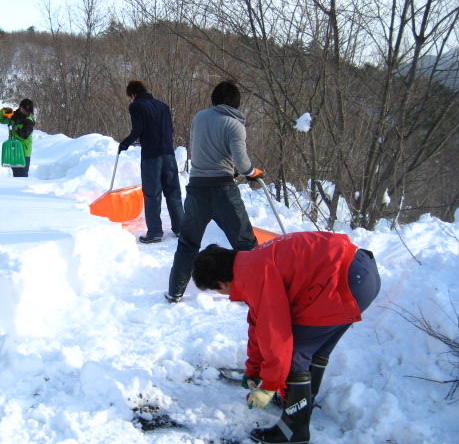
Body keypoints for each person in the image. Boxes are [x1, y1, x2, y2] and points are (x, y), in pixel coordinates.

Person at [192, 232, 382, 444]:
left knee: (294, 353)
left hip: (345, 280)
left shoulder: (254, 276)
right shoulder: (251, 264)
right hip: (360, 272)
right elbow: (259, 323)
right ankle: (301, 403)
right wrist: (254, 369)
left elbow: (276, 335)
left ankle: (293, 429)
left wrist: (270, 386)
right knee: (313, 350)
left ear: (220, 283)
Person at [165, 80, 262, 303]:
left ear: (214, 100)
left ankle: (175, 292)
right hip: (223, 192)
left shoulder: (199, 118)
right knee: (246, 245)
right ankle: (255, 290)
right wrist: (252, 172)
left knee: (188, 243)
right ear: (236, 103)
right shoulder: (235, 125)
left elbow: (207, 150)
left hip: (197, 189)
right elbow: (243, 164)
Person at [119, 80, 184, 244]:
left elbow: (138, 129)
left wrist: (125, 143)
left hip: (152, 156)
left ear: (132, 95)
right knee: (173, 193)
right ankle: (181, 229)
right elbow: (170, 129)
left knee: (152, 194)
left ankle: (155, 232)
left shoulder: (136, 106)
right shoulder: (163, 106)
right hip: (169, 153)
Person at [0, 98, 35, 177]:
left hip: (24, 151)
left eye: (26, 110)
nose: (24, 111)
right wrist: (4, 111)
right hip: (13, 149)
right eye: (23, 108)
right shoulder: (13, 116)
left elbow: (25, 135)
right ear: (20, 107)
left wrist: (17, 130)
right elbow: (0, 119)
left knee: (23, 174)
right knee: (15, 173)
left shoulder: (29, 121)